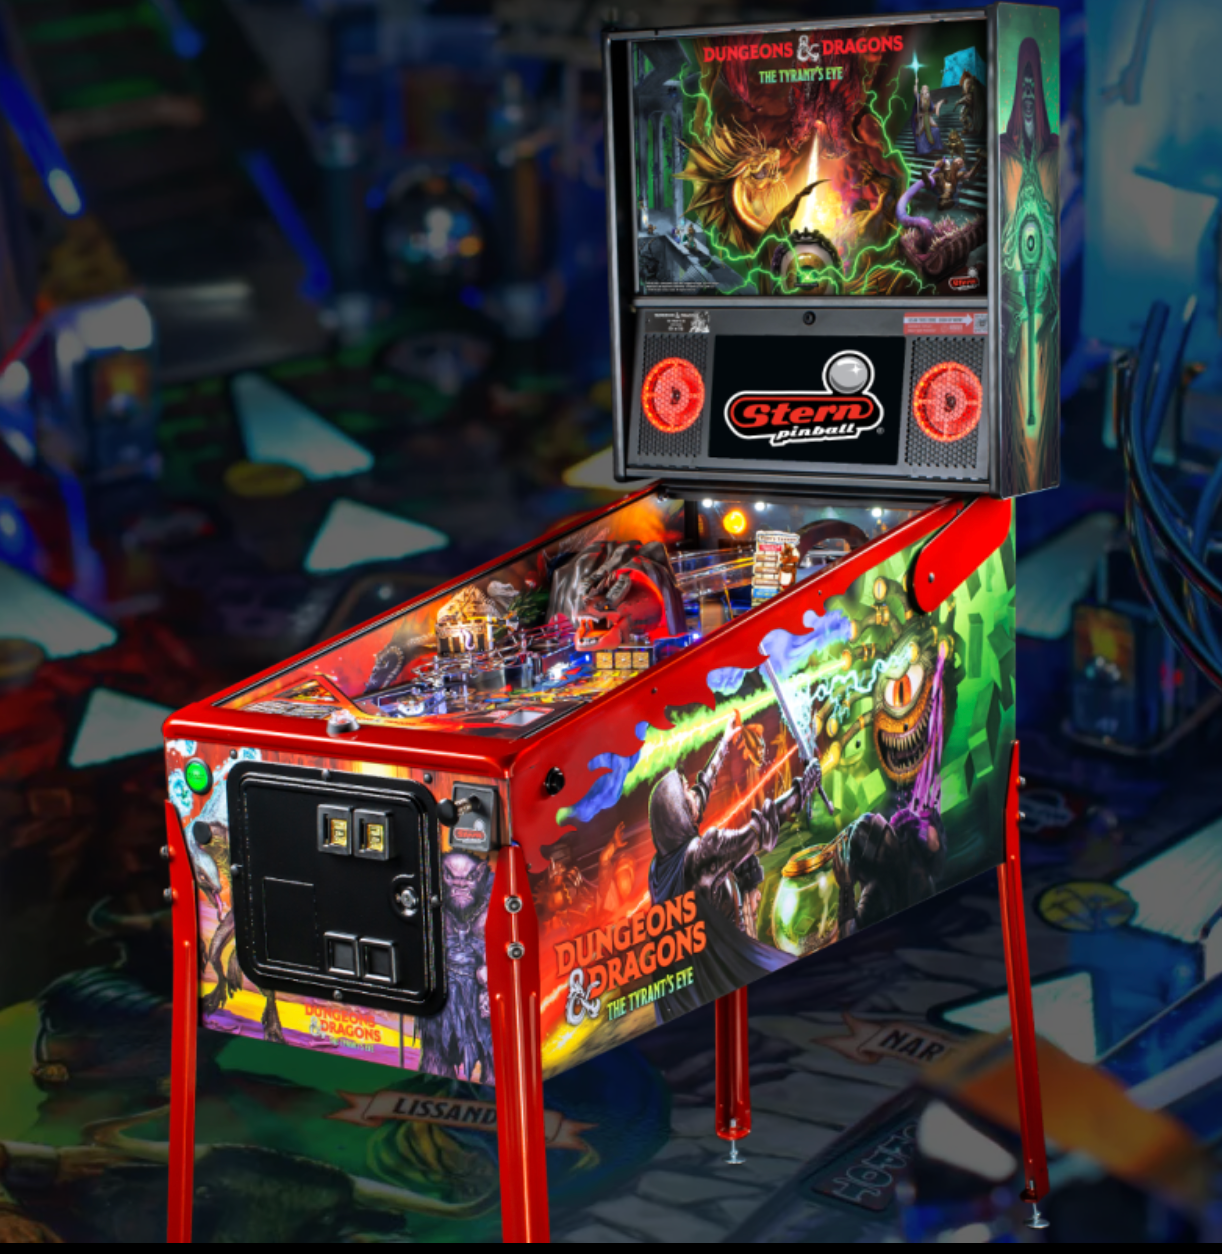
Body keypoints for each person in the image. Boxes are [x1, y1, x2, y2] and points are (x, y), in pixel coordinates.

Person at [646, 712, 825, 1021]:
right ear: (678, 814)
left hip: (691, 995)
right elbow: (758, 829)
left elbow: (699, 794)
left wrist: (725, 743)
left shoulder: (658, 869)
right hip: (726, 972)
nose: (693, 793)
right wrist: (801, 790)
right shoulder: (700, 855)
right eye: (686, 793)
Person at [911, 82, 944, 156]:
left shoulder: (929, 99)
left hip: (929, 118)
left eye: (926, 89)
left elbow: (932, 108)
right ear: (921, 90)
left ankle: (936, 147)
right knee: (921, 134)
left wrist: (938, 105)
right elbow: (915, 92)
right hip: (922, 119)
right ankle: (924, 150)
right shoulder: (920, 97)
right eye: (924, 89)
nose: (925, 90)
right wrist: (916, 83)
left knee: (936, 130)